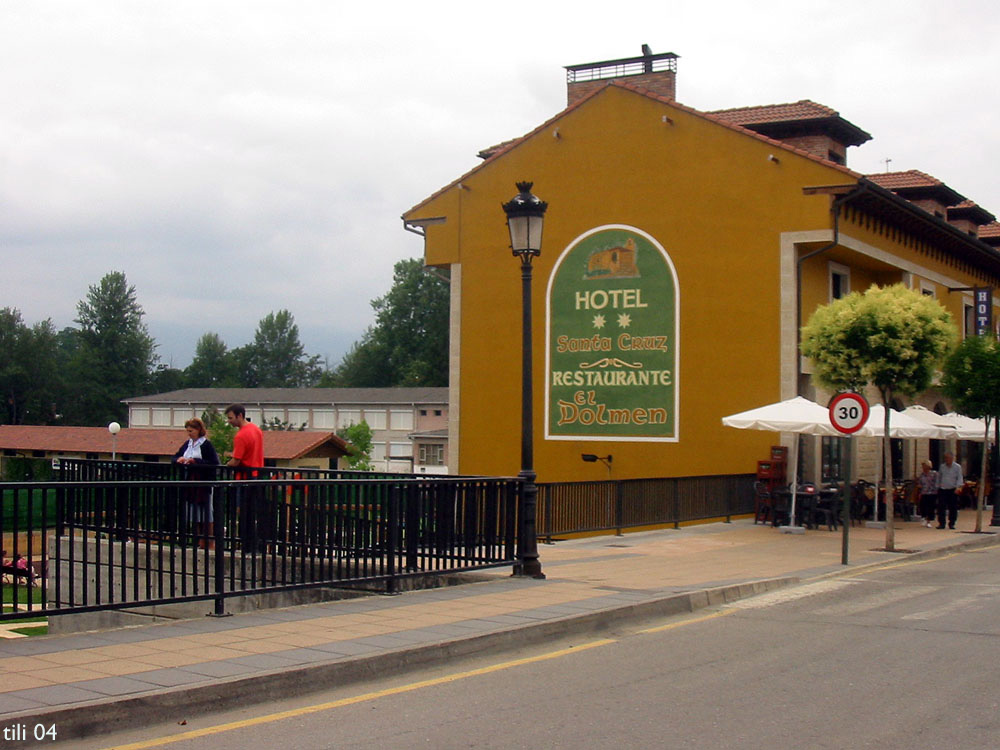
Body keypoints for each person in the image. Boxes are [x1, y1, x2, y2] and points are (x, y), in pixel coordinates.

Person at [224, 404, 268, 550]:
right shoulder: (256, 430)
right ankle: (254, 543)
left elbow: (236, 460)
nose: (229, 421)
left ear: (239, 415)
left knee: (242, 511)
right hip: (256, 475)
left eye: (230, 418)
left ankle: (246, 544)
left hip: (243, 477)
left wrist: (227, 464)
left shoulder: (241, 435)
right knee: (252, 511)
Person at [172, 418, 220, 549]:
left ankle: (209, 542)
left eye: (191, 430)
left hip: (203, 483)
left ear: (199, 430)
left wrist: (196, 462)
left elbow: (214, 463)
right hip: (191, 483)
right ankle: (200, 541)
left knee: (206, 512)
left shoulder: (206, 445)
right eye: (187, 431)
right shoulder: (187, 444)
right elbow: (175, 457)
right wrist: (179, 460)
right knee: (195, 513)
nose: (189, 433)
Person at [936, 451, 963, 530]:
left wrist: (958, 487)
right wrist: (938, 486)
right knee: (941, 507)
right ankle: (941, 523)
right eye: (945, 458)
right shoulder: (942, 467)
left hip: (952, 489)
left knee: (953, 507)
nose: (946, 459)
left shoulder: (957, 467)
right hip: (943, 489)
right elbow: (939, 477)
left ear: (952, 458)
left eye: (948, 458)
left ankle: (952, 523)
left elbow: (959, 477)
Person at [916, 460, 938, 528]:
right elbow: (920, 483)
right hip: (924, 492)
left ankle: (929, 520)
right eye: (923, 466)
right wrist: (919, 486)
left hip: (932, 492)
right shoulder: (922, 475)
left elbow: (937, 482)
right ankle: (924, 518)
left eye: (925, 466)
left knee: (931, 507)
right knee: (923, 506)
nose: (923, 468)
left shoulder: (934, 474)